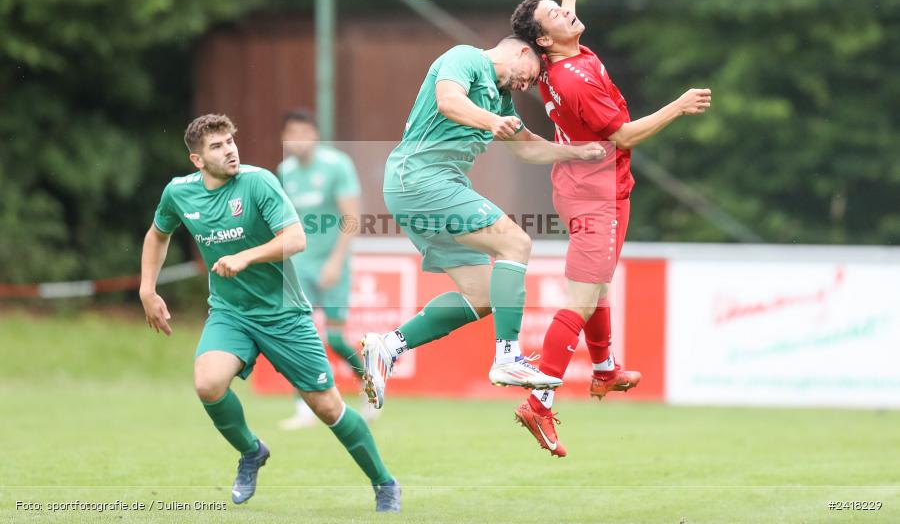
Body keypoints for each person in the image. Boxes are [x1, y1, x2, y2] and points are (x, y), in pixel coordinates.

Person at [139, 114, 401, 511]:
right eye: (217, 146)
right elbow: (158, 234)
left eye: (230, 141)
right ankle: (251, 451)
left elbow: (296, 238)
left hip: (283, 315)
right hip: (230, 313)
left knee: (328, 407)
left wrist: (245, 257)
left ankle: (384, 482)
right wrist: (147, 289)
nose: (229, 150)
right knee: (208, 383)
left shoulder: (258, 181)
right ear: (197, 160)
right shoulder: (179, 193)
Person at [509, 0, 712, 456]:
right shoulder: (572, 81)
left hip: (582, 184)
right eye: (556, 15)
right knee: (580, 298)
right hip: (596, 194)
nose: (567, 14)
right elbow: (621, 136)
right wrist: (679, 106)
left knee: (596, 286)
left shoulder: (565, 56)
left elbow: (567, 33)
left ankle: (604, 370)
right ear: (543, 40)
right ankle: (538, 403)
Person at [361, 36, 607, 410]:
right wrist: (492, 122)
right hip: (421, 179)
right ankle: (508, 357)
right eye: (531, 75)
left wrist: (575, 153)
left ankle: (388, 345)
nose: (527, 85)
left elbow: (527, 145)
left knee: (481, 297)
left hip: (426, 186)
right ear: (521, 51)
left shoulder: (502, 99)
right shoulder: (466, 59)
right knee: (516, 244)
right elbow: (449, 100)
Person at [277, 108, 377, 429]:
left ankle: (369, 384)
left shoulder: (337, 166)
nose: (299, 140)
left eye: (304, 132)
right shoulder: (284, 171)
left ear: (315, 136)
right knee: (296, 334)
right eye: (292, 133)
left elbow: (351, 218)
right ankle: (304, 406)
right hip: (297, 265)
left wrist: (335, 262)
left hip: (333, 263)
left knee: (334, 338)